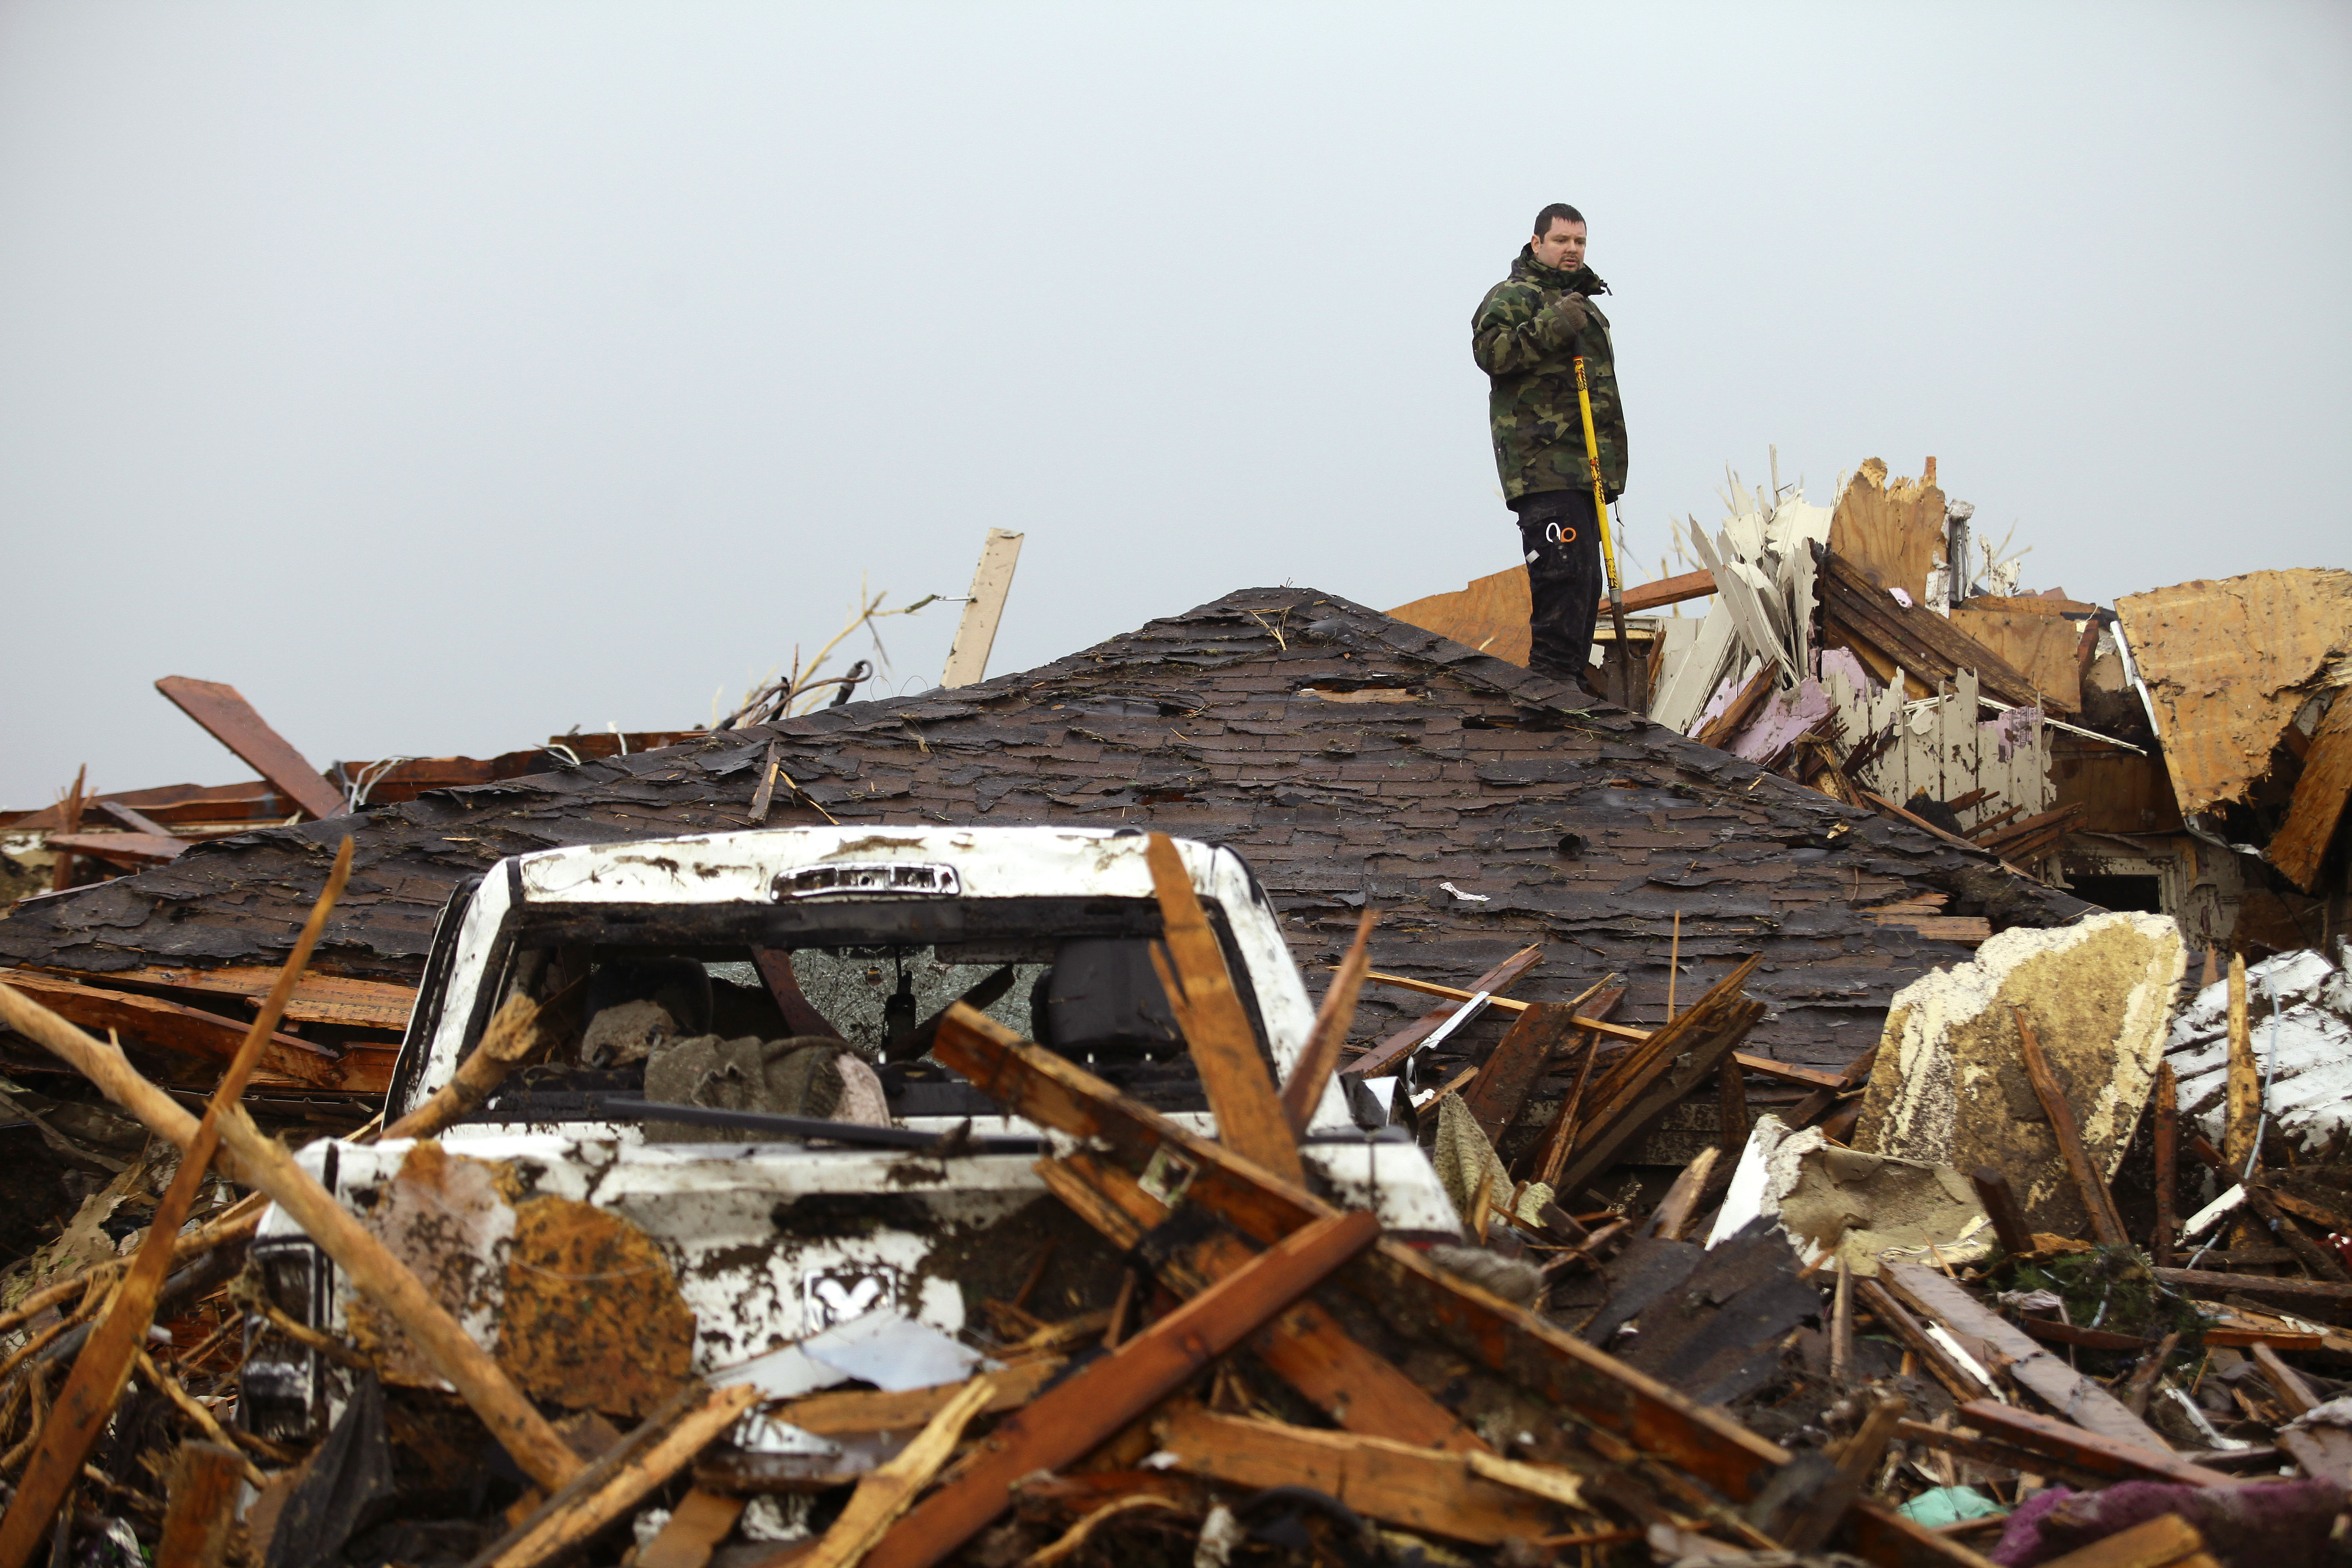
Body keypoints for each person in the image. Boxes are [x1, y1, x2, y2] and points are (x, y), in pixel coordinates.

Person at [1471, 203, 1627, 694]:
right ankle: (1550, 680)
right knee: (1561, 566)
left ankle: (1569, 678)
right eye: (1561, 241)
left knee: (1585, 577)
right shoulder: (1514, 296)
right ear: (1537, 243)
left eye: (1579, 242)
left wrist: (1610, 470)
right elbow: (1491, 352)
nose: (1572, 250)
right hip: (1542, 461)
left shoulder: (1587, 306)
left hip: (1586, 467)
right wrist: (1554, 325)